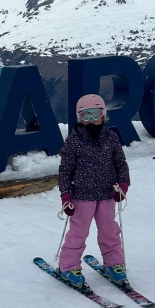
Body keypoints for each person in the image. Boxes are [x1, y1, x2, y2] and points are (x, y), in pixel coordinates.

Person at [56, 94, 131, 287]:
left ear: (103, 115)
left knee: (109, 231)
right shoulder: (74, 141)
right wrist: (66, 196)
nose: (91, 120)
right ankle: (68, 266)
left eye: (95, 114)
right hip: (82, 196)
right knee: (78, 232)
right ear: (79, 117)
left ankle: (114, 264)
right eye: (86, 115)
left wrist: (123, 186)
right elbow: (65, 171)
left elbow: (121, 164)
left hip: (107, 194)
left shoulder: (111, 138)